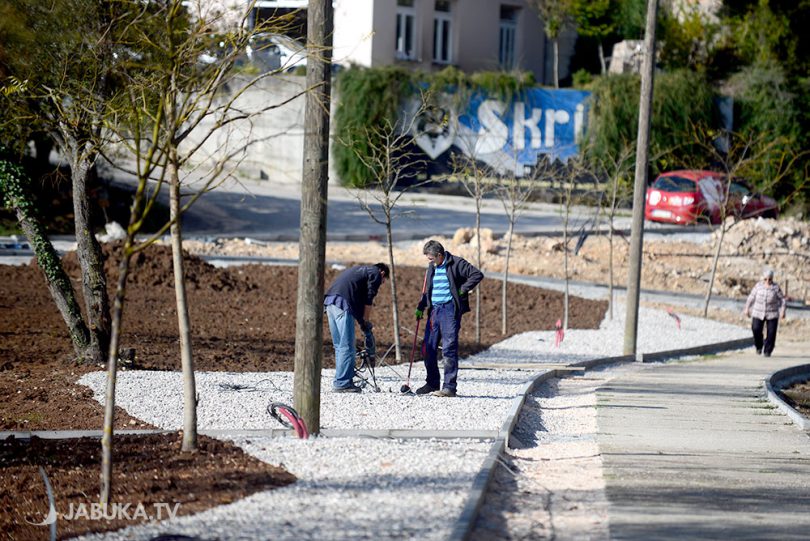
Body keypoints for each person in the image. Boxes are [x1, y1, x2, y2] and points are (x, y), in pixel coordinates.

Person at [415, 240, 483, 397]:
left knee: (449, 348)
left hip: (449, 311)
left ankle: (449, 387)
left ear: (439, 255)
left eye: (430, 258)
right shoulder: (432, 267)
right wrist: (421, 306)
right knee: (428, 348)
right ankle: (432, 383)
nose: (429, 261)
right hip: (434, 312)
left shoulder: (456, 263)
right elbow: (429, 290)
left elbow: (477, 274)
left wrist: (462, 290)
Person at [324, 263, 389, 392]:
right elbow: (368, 299)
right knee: (347, 346)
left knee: (339, 346)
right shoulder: (375, 273)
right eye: (383, 281)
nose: (381, 283)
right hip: (343, 303)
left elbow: (358, 302)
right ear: (383, 274)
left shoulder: (359, 271)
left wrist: (361, 322)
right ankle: (343, 383)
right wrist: (366, 322)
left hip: (330, 303)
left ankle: (341, 378)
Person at [743, 268, 786, 357]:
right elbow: (751, 297)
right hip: (758, 312)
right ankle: (759, 346)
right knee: (756, 329)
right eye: (766, 279)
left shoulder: (775, 288)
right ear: (763, 279)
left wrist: (783, 311)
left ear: (772, 279)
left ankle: (768, 350)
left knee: (771, 333)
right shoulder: (758, 286)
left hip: (772, 313)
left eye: (770, 279)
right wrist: (747, 308)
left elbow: (782, 300)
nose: (768, 281)